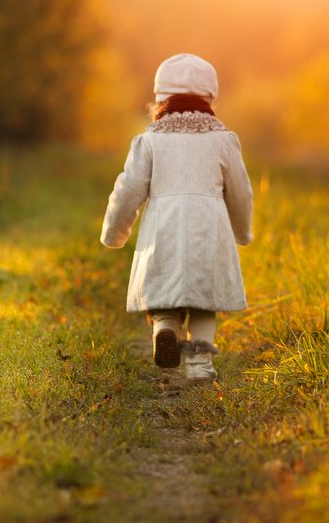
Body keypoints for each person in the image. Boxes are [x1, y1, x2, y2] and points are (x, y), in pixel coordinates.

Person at [100, 53, 254, 382]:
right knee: (203, 300)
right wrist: (242, 231)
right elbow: (240, 192)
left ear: (160, 100)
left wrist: (115, 232)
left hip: (163, 230)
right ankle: (199, 363)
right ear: (210, 99)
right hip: (208, 230)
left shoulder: (150, 141)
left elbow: (128, 190)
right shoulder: (223, 141)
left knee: (165, 296)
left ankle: (165, 329)